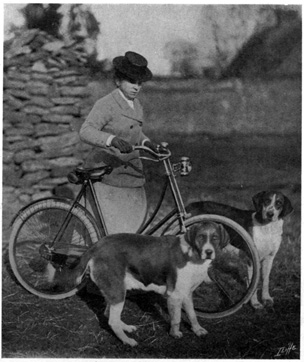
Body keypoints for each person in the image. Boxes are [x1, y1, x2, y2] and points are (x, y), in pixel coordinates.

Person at [79, 51, 157, 234]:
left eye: (139, 83)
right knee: (103, 230)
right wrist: (111, 140)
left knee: (130, 228)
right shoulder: (106, 104)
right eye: (131, 82)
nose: (136, 87)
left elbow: (134, 133)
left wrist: (147, 144)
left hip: (130, 173)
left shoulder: (136, 105)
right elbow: (86, 131)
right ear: (118, 81)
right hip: (107, 175)